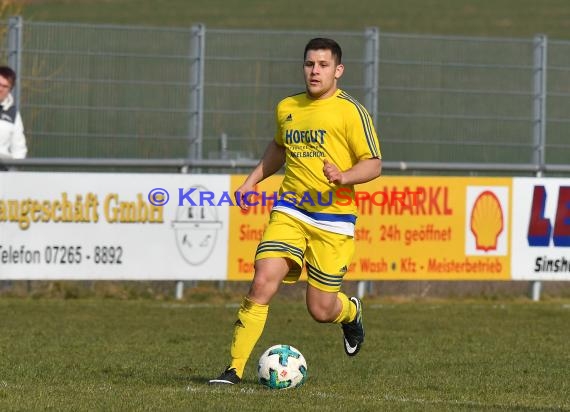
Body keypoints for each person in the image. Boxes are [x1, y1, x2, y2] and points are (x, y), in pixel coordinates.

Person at [209, 38, 382, 385]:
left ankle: (350, 312)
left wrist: (344, 176)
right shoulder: (288, 106)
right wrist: (251, 181)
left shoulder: (351, 111)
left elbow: (374, 164)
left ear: (338, 70)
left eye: (322, 65)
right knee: (262, 281)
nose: (314, 71)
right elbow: (278, 148)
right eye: (309, 64)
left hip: (333, 220)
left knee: (320, 309)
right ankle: (234, 369)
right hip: (290, 211)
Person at [0, 65, 27, 165]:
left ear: (10, 89)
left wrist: (14, 174)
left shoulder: (13, 114)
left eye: (5, 86)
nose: (1, 89)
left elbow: (19, 150)